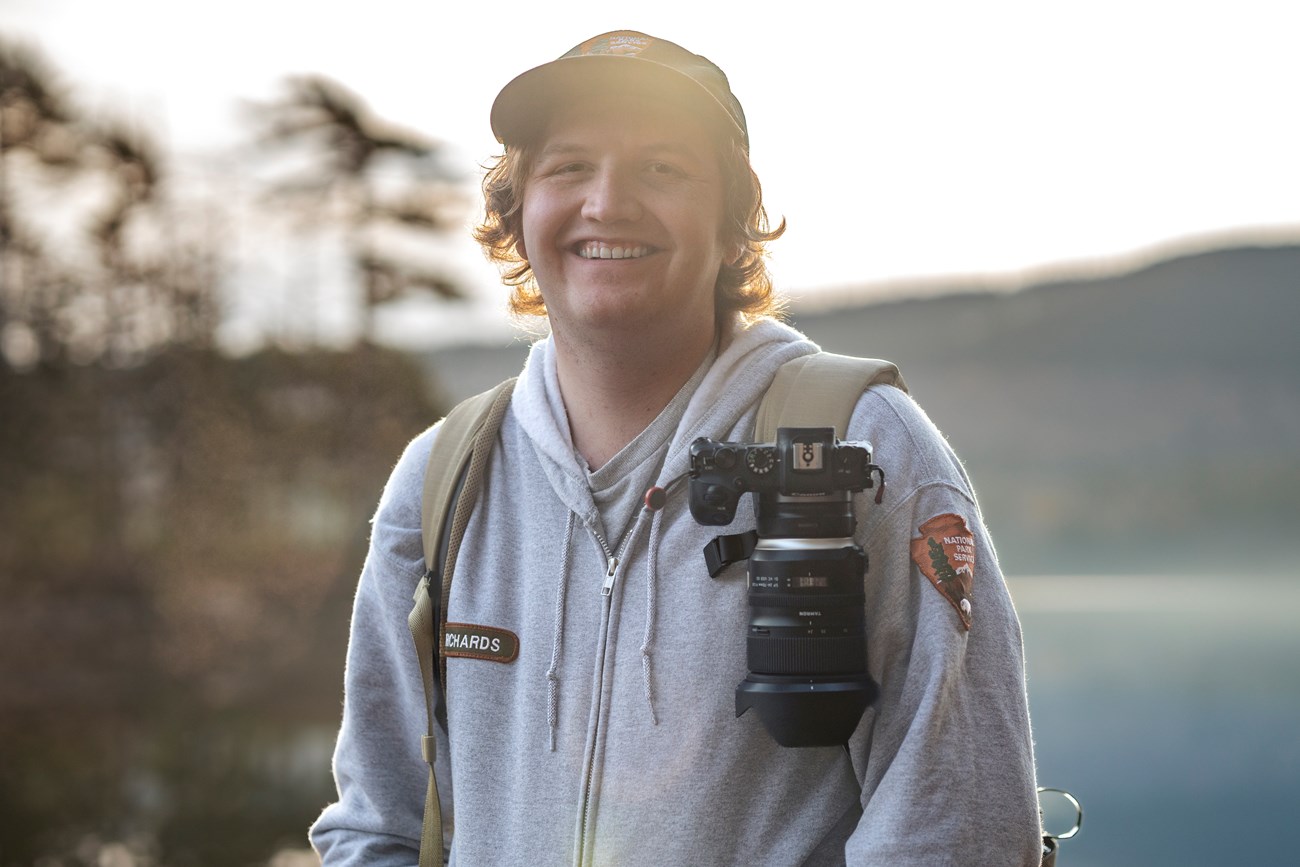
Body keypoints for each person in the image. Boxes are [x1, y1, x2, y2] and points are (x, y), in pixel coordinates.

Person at [310, 30, 1044, 866]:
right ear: (517, 217)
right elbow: (378, 826)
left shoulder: (861, 451)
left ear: (734, 228)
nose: (608, 202)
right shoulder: (443, 483)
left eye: (661, 168)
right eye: (568, 167)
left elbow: (957, 834)